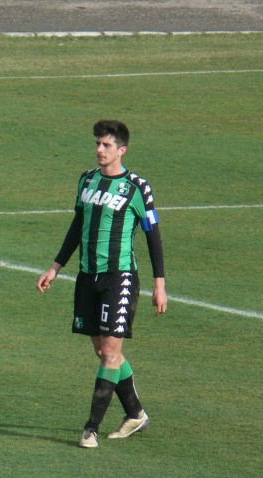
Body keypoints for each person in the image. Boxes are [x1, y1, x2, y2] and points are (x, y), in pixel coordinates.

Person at [37, 120, 167, 449]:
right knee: (103, 351)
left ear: (122, 150)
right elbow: (77, 223)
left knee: (110, 352)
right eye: (98, 143)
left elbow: (153, 236)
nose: (99, 149)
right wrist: (56, 266)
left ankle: (90, 429)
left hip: (119, 277)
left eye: (106, 145)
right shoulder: (87, 180)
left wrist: (160, 284)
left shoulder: (138, 188)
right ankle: (136, 414)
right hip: (86, 276)